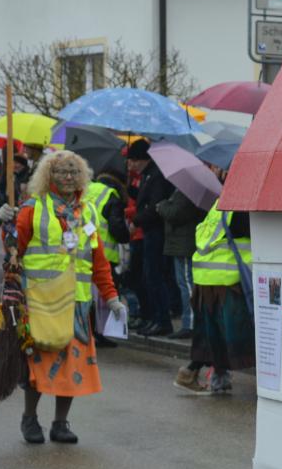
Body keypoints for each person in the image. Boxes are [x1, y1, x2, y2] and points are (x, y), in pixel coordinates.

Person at [16, 151, 126, 444]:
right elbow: (14, 250)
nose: (68, 177)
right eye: (62, 172)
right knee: (38, 363)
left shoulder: (88, 213)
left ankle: (60, 423)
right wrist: (6, 225)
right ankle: (30, 418)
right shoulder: (32, 208)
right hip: (42, 301)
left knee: (72, 366)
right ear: (48, 176)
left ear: (82, 177)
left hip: (77, 303)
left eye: (73, 172)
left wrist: (111, 296)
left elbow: (99, 260)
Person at [174, 174, 254, 395]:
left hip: (205, 279)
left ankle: (207, 376)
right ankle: (203, 374)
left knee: (211, 333)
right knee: (239, 333)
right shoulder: (241, 207)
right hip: (227, 281)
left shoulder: (218, 205)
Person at [127, 139, 174, 336]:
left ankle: (162, 319)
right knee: (148, 276)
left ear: (141, 159)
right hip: (149, 233)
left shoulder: (155, 176)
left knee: (154, 276)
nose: (131, 164)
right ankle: (154, 317)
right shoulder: (148, 175)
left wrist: (137, 220)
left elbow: (155, 206)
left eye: (133, 159)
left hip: (155, 233)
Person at [84, 161, 130, 349]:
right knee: (103, 297)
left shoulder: (87, 188)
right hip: (103, 253)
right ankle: (100, 334)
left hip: (82, 250)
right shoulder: (112, 196)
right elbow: (117, 228)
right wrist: (126, 235)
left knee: (87, 295)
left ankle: (87, 332)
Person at [157, 186, 206, 340]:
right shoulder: (185, 190)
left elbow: (175, 213)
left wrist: (162, 205)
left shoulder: (188, 192)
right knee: (185, 284)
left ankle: (190, 324)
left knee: (187, 284)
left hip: (184, 245)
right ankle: (190, 322)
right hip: (181, 244)